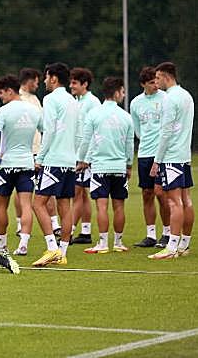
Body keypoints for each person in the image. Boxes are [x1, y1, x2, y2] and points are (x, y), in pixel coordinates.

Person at [77, 77, 133, 254]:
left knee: (101, 206)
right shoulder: (126, 117)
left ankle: (102, 244)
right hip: (119, 167)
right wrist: (129, 165)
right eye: (122, 92)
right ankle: (118, 242)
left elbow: (86, 141)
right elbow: (129, 145)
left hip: (100, 167)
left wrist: (81, 160)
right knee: (119, 206)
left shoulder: (94, 114)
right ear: (116, 93)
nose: (123, 95)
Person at [0, 74, 42, 256]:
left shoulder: (2, 112)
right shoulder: (34, 110)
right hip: (27, 164)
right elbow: (47, 133)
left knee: (1, 205)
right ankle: (23, 245)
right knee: (26, 205)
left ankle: (2, 245)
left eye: (1, 93)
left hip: (6, 165)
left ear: (10, 91)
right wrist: (40, 157)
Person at [31, 62, 79, 267]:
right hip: (69, 161)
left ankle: (52, 249)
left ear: (54, 78)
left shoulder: (50, 99)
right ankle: (62, 253)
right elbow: (78, 133)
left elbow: (49, 130)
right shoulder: (73, 101)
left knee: (37, 204)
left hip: (54, 161)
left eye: (46, 77)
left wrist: (40, 158)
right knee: (65, 205)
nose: (44, 81)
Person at [148, 62, 195, 260]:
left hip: (171, 157)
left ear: (166, 77)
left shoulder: (169, 99)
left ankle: (172, 247)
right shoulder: (187, 96)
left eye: (158, 77)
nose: (156, 82)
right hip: (184, 156)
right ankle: (184, 244)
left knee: (174, 202)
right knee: (186, 200)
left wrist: (157, 161)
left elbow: (166, 132)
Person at [15, 68, 59, 237]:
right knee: (21, 190)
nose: (38, 84)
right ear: (29, 80)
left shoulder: (35, 99)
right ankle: (20, 224)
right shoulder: (17, 98)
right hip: (24, 151)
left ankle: (54, 223)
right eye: (36, 81)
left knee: (47, 186)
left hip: (39, 150)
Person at [130, 67, 170, 248]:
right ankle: (151, 235)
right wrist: (147, 139)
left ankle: (167, 233)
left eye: (156, 81)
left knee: (161, 193)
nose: (155, 85)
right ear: (143, 84)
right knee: (147, 194)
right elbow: (137, 130)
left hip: (161, 154)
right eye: (151, 82)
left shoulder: (165, 98)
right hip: (144, 154)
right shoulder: (135, 103)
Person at [69, 67, 101, 244]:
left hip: (86, 157)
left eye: (74, 83)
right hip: (77, 154)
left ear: (85, 84)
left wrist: (86, 158)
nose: (71, 86)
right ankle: (85, 232)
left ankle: (68, 232)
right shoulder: (76, 101)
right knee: (81, 194)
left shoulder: (93, 102)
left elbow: (95, 132)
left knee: (77, 192)